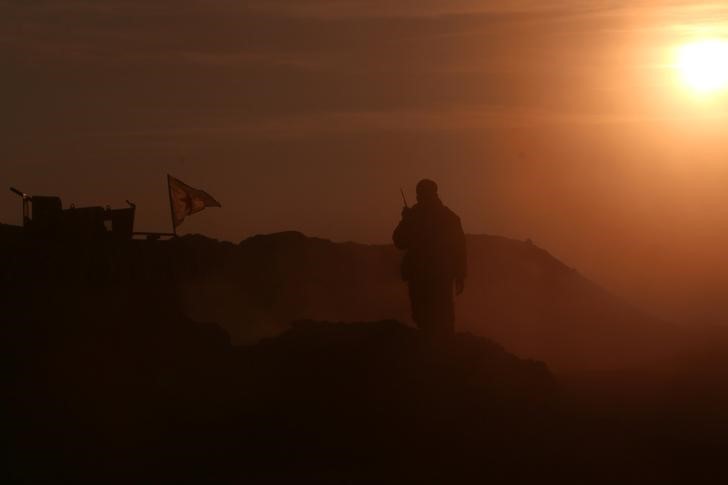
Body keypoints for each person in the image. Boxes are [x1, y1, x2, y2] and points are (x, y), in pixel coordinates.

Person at [393, 179, 467, 337]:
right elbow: (459, 249)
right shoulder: (450, 217)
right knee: (441, 317)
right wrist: (460, 275)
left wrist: (406, 220)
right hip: (440, 275)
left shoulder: (415, 216)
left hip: (422, 275)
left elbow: (399, 241)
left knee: (426, 317)